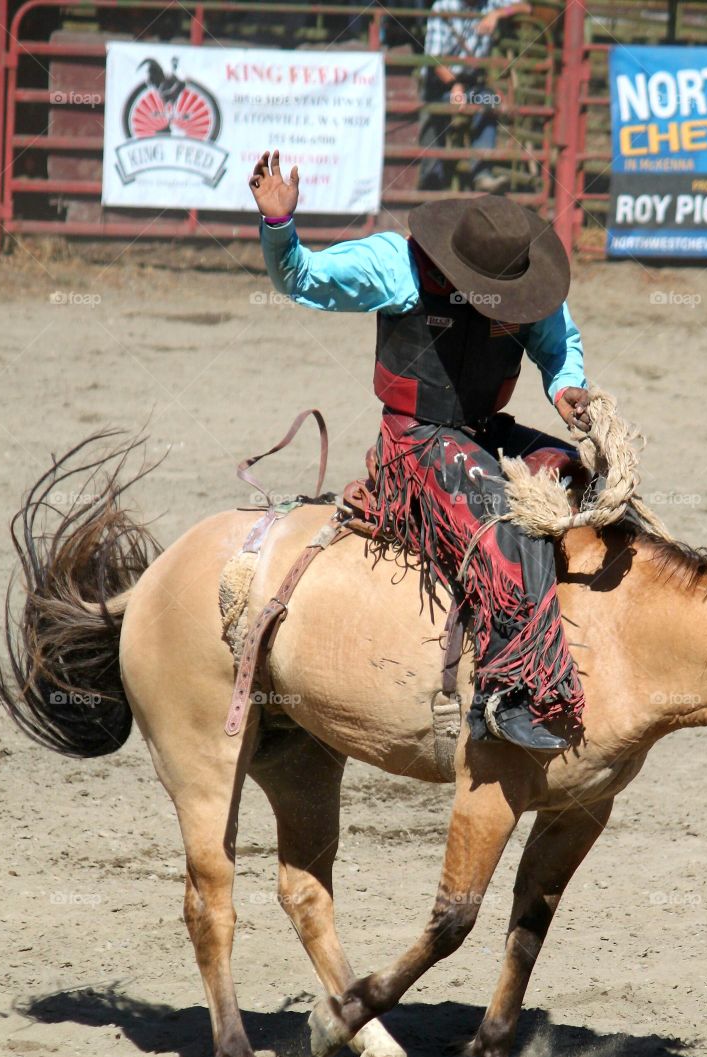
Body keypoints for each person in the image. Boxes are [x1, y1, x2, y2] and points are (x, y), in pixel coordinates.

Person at [249, 150, 592, 753]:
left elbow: (558, 343)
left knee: (573, 475)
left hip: (484, 428)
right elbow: (302, 278)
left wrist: (566, 388)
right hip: (417, 437)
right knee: (503, 521)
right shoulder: (395, 265)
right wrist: (280, 227)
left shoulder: (522, 277)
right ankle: (507, 686)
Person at [419, 0, 531, 193]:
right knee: (434, 119)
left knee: (490, 102)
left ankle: (481, 173)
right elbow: (434, 59)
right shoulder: (443, 7)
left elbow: (526, 6)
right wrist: (454, 85)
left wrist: (498, 14)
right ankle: (431, 184)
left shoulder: (489, 4)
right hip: (440, 83)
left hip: (472, 84)